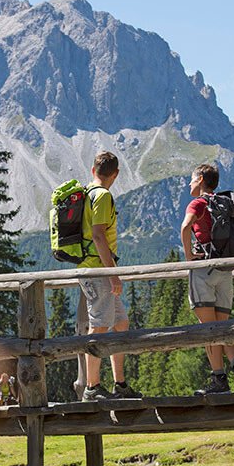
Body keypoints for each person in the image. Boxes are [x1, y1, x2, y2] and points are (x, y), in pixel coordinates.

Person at [180, 163, 234, 395]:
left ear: (201, 179)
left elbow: (185, 227)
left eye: (192, 180)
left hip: (204, 270)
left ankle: (219, 380)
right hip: (226, 271)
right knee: (224, 327)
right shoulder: (226, 202)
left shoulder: (198, 203)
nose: (189, 184)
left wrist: (189, 256)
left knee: (209, 329)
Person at [78, 151, 142, 401]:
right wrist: (112, 274)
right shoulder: (102, 196)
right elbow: (98, 235)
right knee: (99, 325)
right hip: (98, 269)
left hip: (92, 267)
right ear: (115, 174)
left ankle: (120, 383)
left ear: (93, 170)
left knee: (121, 323)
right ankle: (92, 388)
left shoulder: (86, 193)